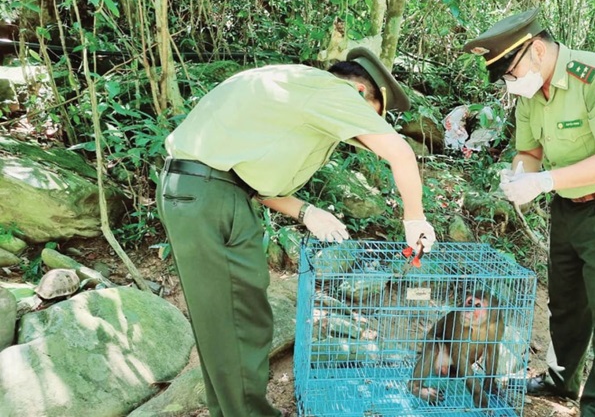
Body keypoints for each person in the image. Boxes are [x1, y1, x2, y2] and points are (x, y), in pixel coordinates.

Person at [156, 47, 437, 417]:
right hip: (211, 198)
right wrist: (414, 219)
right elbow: (400, 152)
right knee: (241, 321)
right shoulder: (335, 92)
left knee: (222, 323)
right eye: (374, 118)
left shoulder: (295, 87)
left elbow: (250, 179)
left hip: (201, 193)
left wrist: (306, 211)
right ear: (360, 92)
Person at [463, 8, 595, 417]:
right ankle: (561, 380)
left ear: (535, 51)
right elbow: (529, 152)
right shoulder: (532, 93)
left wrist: (545, 180)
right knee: (565, 303)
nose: (511, 86)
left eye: (511, 74)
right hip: (568, 205)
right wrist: (518, 178)